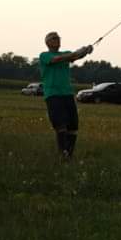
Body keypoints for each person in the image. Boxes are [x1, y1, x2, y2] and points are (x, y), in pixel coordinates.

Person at [38, 31, 94, 159]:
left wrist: (85, 50)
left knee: (73, 126)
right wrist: (75, 54)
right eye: (54, 38)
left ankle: (69, 154)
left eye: (58, 38)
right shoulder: (44, 55)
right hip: (53, 94)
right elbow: (58, 59)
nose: (57, 40)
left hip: (67, 94)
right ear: (47, 42)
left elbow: (75, 56)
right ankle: (63, 152)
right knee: (60, 124)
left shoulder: (66, 53)